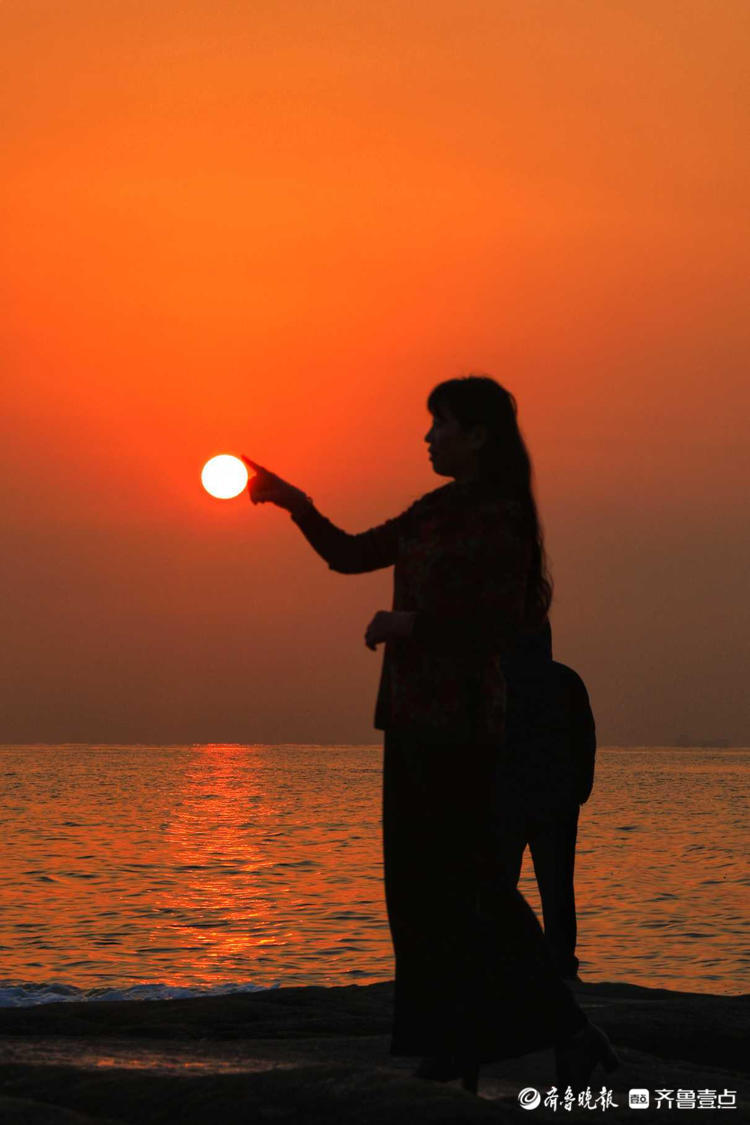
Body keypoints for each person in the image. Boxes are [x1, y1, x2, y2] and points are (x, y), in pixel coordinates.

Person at [242, 375, 617, 1093]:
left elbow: (504, 622)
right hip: (410, 716)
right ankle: (456, 1041)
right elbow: (350, 554)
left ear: (476, 435)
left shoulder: (502, 516)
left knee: (474, 885)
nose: (427, 437)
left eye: (440, 424)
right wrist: (295, 503)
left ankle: (565, 1029)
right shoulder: (434, 510)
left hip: (466, 724)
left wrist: (407, 624)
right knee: (418, 894)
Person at [499, 622, 597, 980]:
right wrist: (580, 789)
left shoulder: (498, 679)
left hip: (508, 802)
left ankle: (501, 962)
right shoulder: (567, 681)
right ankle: (559, 965)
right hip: (555, 802)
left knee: (501, 888)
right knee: (556, 888)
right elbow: (585, 739)